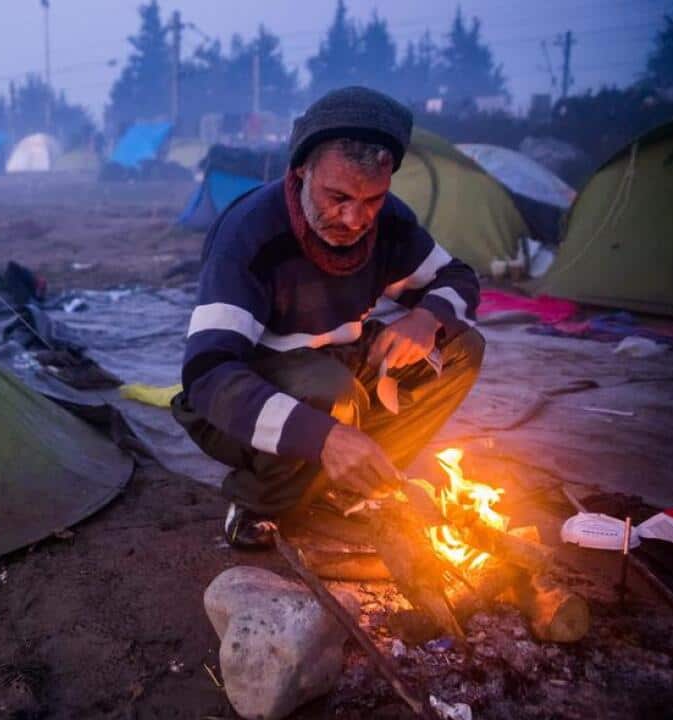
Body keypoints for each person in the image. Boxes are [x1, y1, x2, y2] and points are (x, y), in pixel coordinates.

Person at [172, 86, 485, 549]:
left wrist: (426, 319)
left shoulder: (388, 223)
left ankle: (352, 485)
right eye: (337, 196)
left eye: (373, 199)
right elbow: (207, 373)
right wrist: (322, 437)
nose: (355, 218)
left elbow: (457, 277)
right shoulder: (250, 233)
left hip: (338, 359)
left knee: (462, 348)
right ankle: (260, 502)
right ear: (301, 170)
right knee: (331, 395)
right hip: (245, 394)